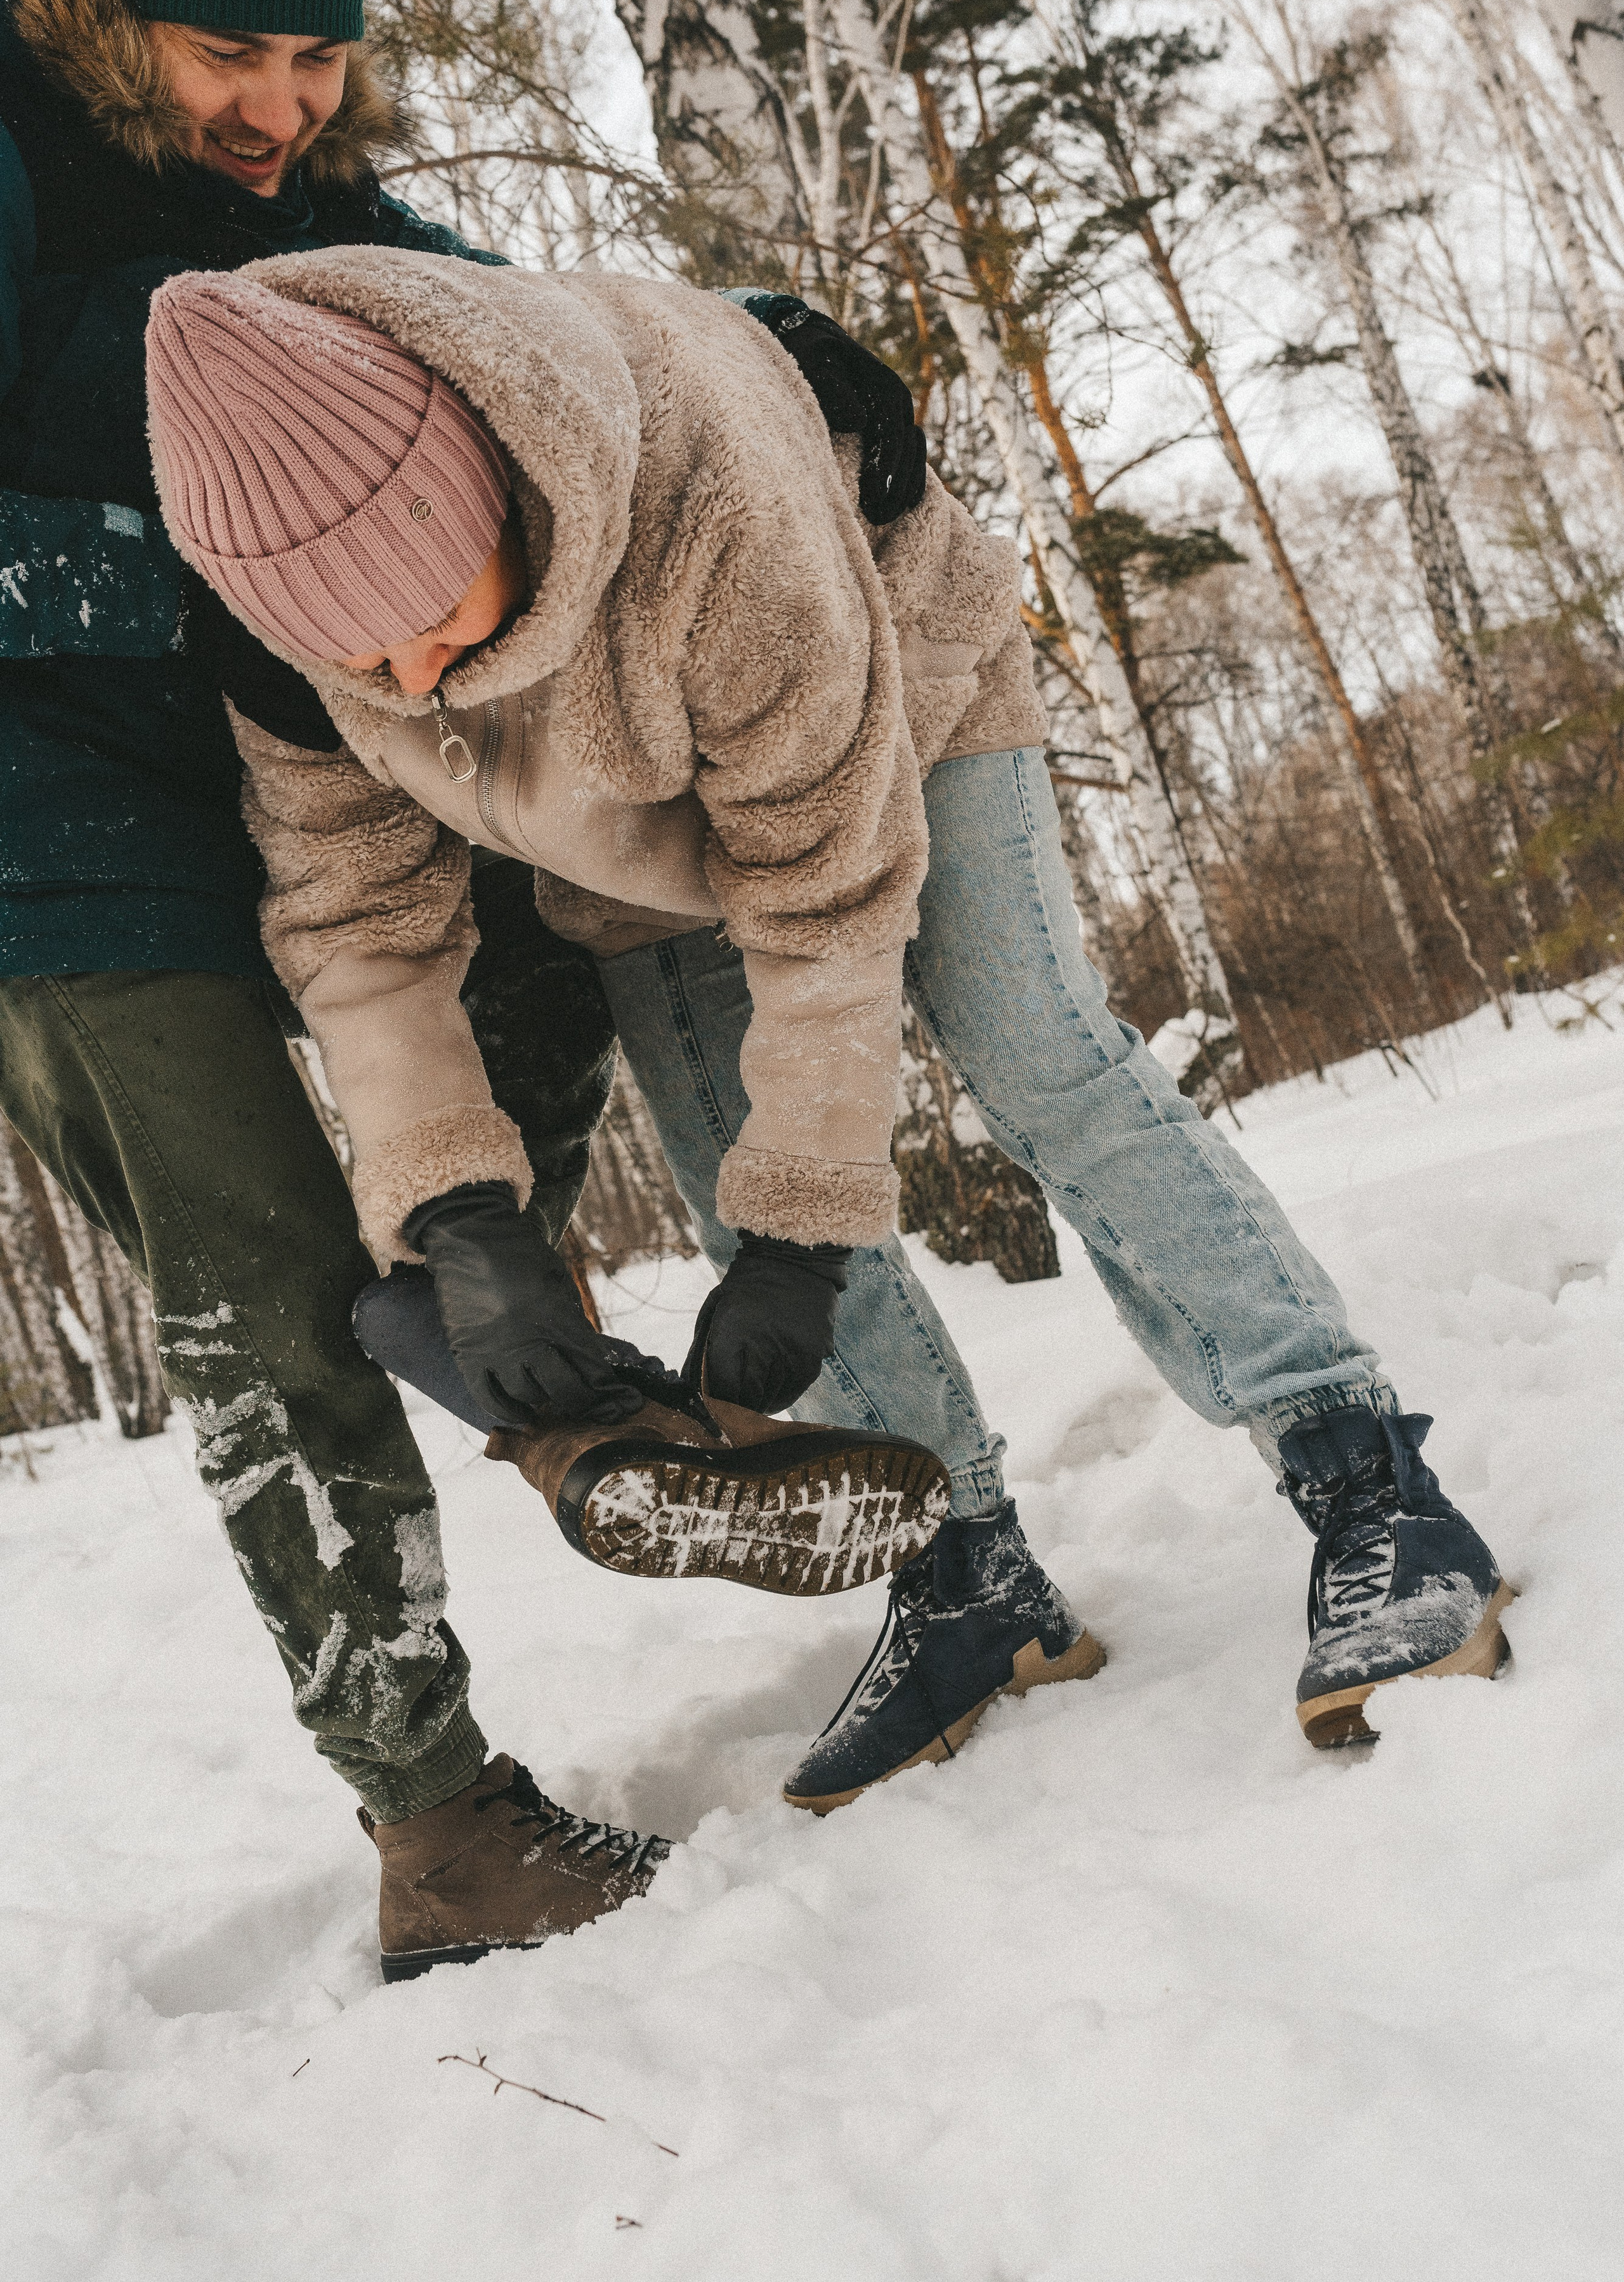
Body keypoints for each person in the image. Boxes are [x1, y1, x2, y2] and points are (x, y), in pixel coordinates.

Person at [145, 249, 1515, 1826]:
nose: (408, 681)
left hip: (893, 704)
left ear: (479, 500)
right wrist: (460, 1214)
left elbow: (822, 891)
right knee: (739, 1177)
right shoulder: (290, 665)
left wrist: (805, 1230)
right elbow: (360, 934)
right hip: (621, 846)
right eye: (362, 663)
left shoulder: (701, 500)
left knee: (1036, 1057)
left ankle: (1364, 1478)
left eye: (429, 624)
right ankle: (963, 1575)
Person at [0, 0, 691, 1978]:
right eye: (231, 51)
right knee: (261, 1296)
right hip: (48, 835)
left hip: (257, 770)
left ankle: (496, 1334)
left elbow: (479, 315)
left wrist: (729, 365)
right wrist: (262, 410)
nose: (280, 103)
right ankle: (440, 1821)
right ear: (98, 2)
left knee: (536, 978)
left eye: (320, 55)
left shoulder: (291, 189)